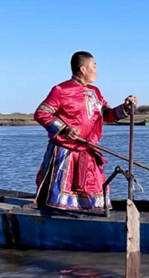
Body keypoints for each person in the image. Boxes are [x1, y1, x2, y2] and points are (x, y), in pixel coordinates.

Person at [34, 51, 137, 212]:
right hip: (66, 153)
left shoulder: (95, 91)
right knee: (60, 201)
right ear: (83, 69)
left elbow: (106, 115)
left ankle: (93, 222)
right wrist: (64, 129)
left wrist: (125, 108)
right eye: (94, 66)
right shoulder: (60, 90)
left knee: (95, 195)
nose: (96, 70)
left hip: (89, 152)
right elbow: (41, 113)